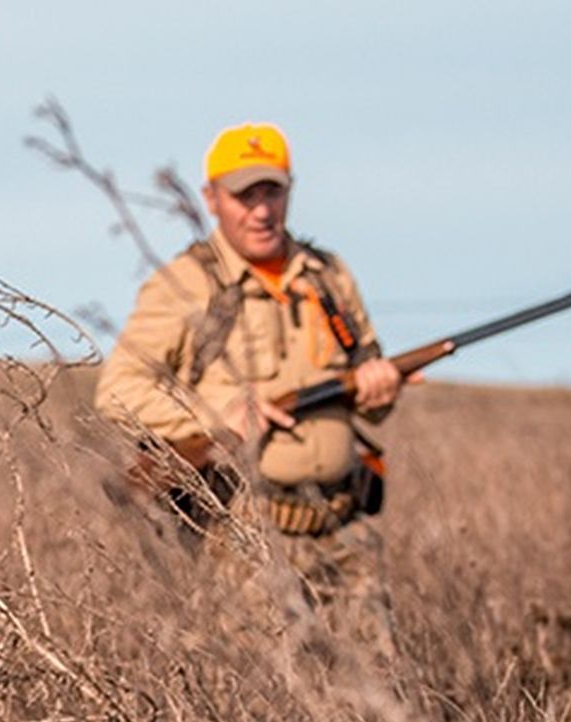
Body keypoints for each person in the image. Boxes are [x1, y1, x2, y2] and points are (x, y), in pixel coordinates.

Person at [94, 122, 412, 657]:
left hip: (344, 526)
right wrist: (214, 412)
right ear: (211, 200)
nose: (261, 210)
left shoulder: (329, 276)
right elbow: (118, 389)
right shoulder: (184, 284)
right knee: (276, 701)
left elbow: (366, 392)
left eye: (273, 192)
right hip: (246, 538)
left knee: (381, 698)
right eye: (245, 196)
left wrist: (381, 391)